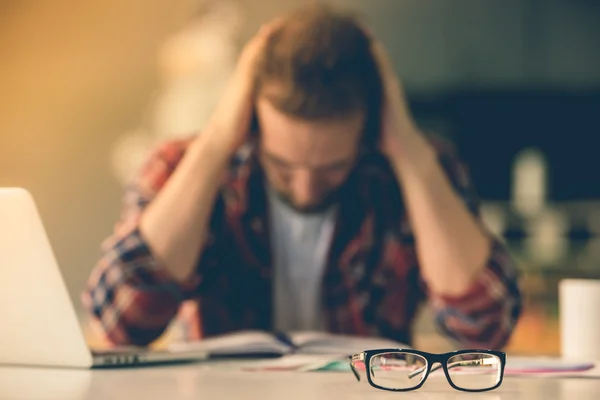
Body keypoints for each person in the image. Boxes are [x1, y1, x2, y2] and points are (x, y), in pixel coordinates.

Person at [83, 4, 521, 349]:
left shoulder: (415, 170)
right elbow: (123, 323)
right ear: (252, 124)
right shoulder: (181, 165)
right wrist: (216, 140)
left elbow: (484, 329)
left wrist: (409, 149)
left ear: (368, 131)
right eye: (283, 167)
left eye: (332, 168)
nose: (307, 190)